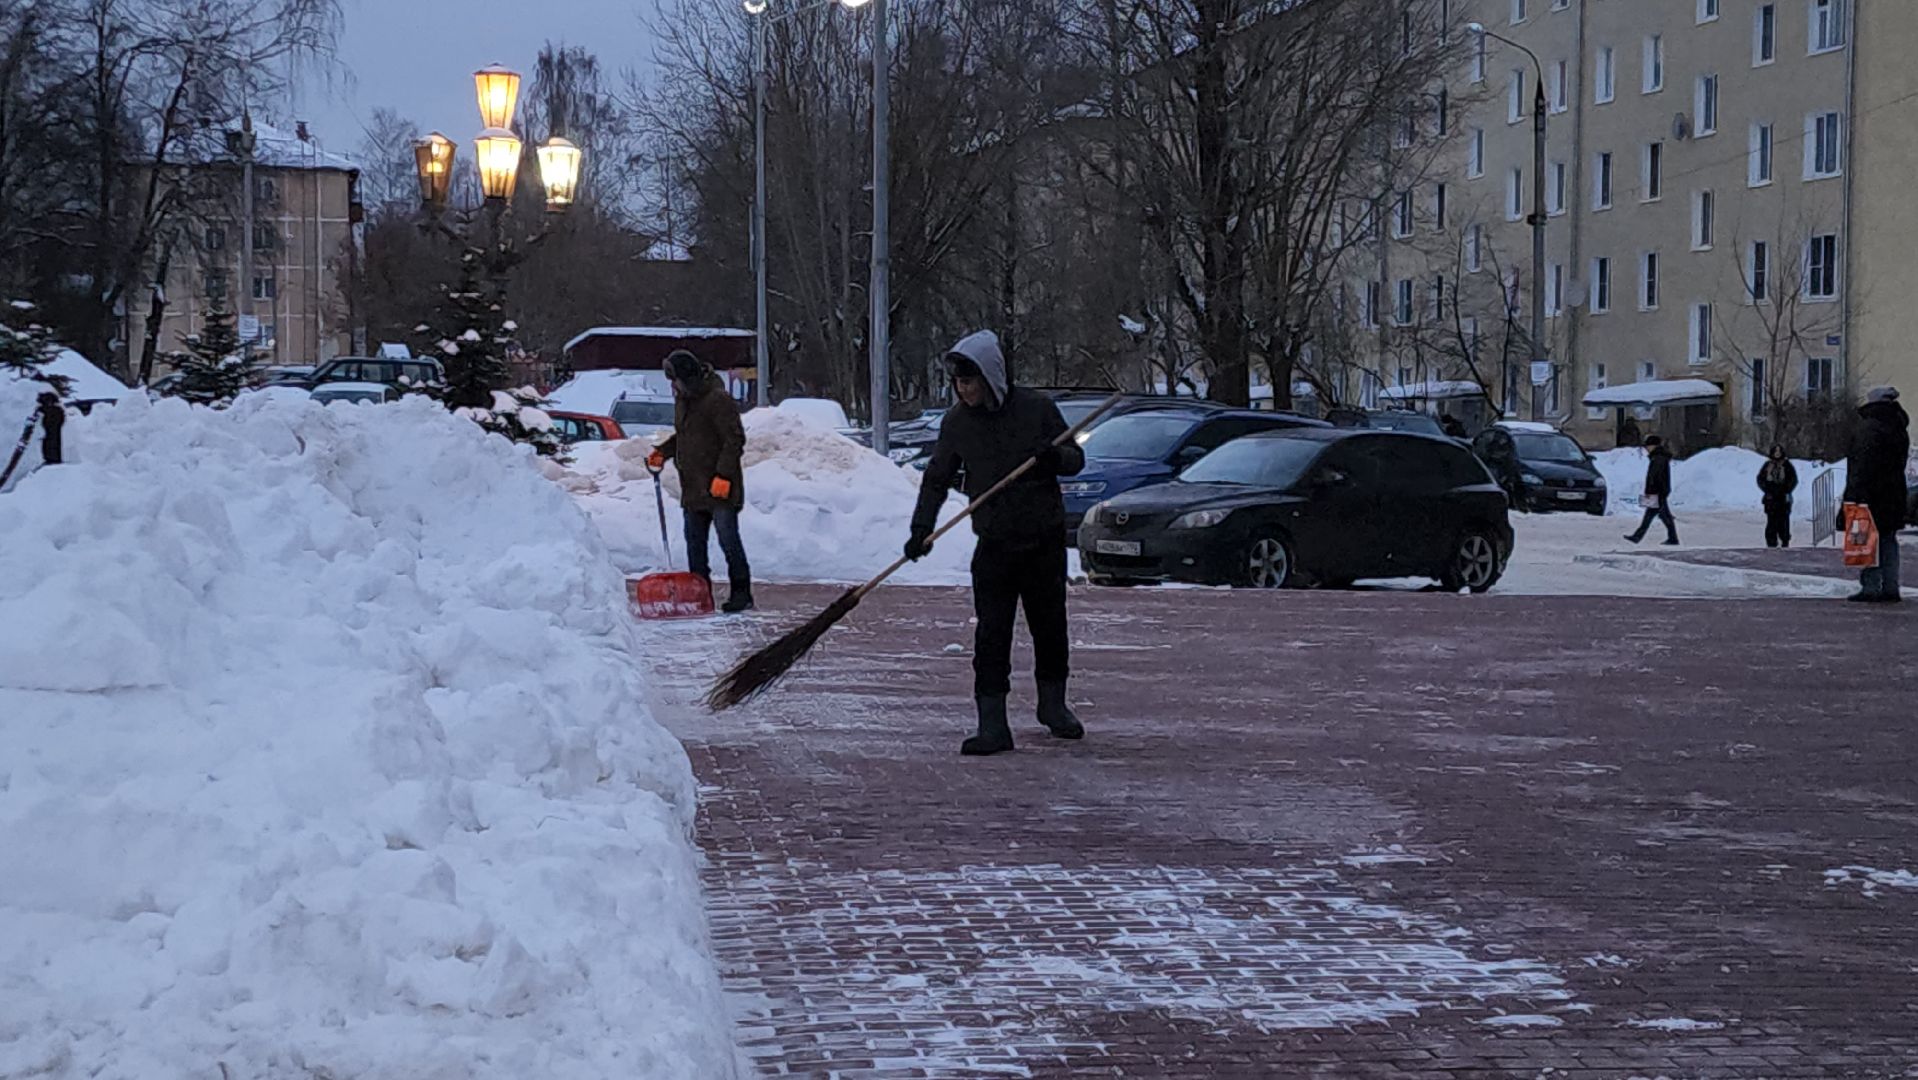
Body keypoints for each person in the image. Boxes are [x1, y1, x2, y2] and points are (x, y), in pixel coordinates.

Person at [905, 329, 1085, 756]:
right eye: (957, 382)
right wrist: (920, 530)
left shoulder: (1037, 409)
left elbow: (1076, 459)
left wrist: (1052, 458)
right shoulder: (957, 424)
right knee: (991, 634)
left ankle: (1053, 707)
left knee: (1049, 628)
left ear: (990, 376)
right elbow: (936, 480)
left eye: (969, 380)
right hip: (995, 545)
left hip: (1042, 542)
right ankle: (992, 725)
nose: (962, 389)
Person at [647, 350, 754, 613]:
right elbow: (685, 437)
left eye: (675, 379)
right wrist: (663, 451)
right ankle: (700, 594)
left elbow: (734, 440)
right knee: (695, 545)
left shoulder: (718, 400)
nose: (672, 386)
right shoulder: (684, 400)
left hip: (719, 489)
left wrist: (724, 476)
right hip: (693, 487)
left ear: (688, 377)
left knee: (729, 541)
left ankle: (742, 594)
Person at [1838, 386, 1910, 603]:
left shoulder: (1868, 429)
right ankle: (1890, 585)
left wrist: (1852, 495)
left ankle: (1870, 586)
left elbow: (1861, 466)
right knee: (1888, 539)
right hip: (1894, 492)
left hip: (1868, 494)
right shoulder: (1899, 427)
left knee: (1865, 540)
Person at [1624, 434, 1679, 545]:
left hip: (1657, 492)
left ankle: (1672, 538)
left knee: (1659, 516)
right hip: (1659, 491)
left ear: (1653, 446)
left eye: (1648, 447)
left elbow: (1655, 476)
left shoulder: (1658, 458)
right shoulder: (1658, 457)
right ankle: (1638, 536)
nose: (1646, 449)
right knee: (1656, 515)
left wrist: (1651, 491)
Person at [1756, 445, 1798, 548]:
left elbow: (1793, 480)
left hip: (1783, 499)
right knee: (1771, 522)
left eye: (1779, 451)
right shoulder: (1767, 465)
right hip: (1770, 499)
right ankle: (1771, 542)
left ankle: (1784, 540)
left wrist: (1785, 489)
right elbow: (1760, 479)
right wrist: (1768, 489)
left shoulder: (1787, 465)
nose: (1777, 453)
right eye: (1775, 451)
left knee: (1783, 521)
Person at [36, 391, 62, 466]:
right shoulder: (40, 410)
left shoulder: (57, 410)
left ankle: (54, 459)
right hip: (46, 432)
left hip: (54, 432)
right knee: (47, 446)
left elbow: (60, 420)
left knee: (54, 446)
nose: (49, 403)